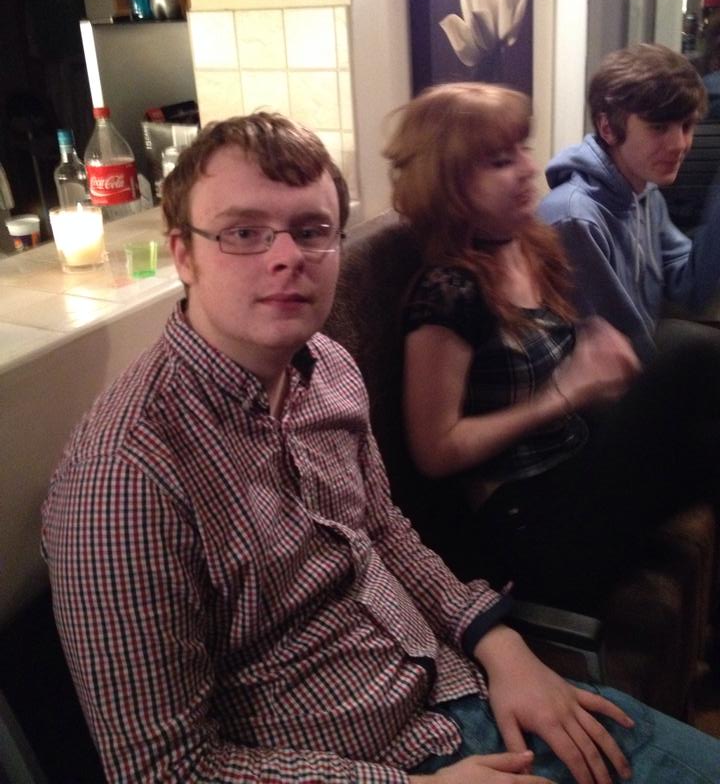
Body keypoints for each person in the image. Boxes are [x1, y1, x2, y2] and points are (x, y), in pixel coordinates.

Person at [42, 113, 720, 784]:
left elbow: (384, 531)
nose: (286, 257)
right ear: (184, 253)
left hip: (461, 692)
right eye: (244, 232)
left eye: (312, 231)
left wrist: (500, 643)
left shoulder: (328, 367)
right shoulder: (124, 477)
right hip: (374, 765)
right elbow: (163, 769)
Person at [385, 81, 720, 619]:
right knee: (689, 350)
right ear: (447, 183)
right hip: (529, 527)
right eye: (499, 161)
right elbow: (435, 450)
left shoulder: (529, 247)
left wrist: (595, 364)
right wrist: (563, 394)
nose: (526, 168)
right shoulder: (448, 290)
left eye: (521, 148)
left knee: (705, 442)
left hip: (575, 468)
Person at [538, 42, 720, 364]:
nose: (679, 144)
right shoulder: (575, 218)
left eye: (687, 126)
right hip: (594, 388)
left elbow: (689, 288)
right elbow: (614, 355)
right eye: (659, 127)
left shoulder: (645, 194)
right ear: (608, 127)